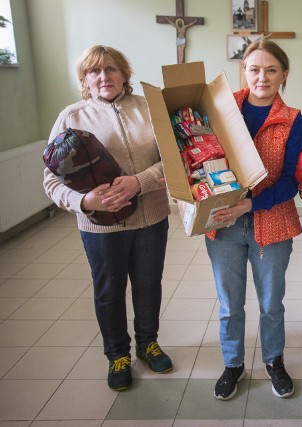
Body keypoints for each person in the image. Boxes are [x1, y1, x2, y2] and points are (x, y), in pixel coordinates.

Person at [43, 45, 172, 391]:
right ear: (85, 79)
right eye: (95, 71)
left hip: (152, 217)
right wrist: (84, 201)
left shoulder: (149, 109)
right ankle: (118, 355)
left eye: (111, 69)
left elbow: (174, 159)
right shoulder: (72, 117)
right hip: (100, 227)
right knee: (109, 291)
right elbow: (51, 180)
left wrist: (137, 183)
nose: (104, 77)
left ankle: (148, 344)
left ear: (124, 74)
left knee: (148, 285)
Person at [205, 39, 302, 401]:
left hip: (273, 222)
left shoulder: (294, 120)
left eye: (271, 69)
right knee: (230, 302)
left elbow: (292, 180)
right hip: (223, 224)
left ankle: (274, 361)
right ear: (243, 72)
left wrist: (250, 205)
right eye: (254, 69)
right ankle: (232, 363)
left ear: (284, 75)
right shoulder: (219, 109)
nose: (262, 77)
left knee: (271, 302)